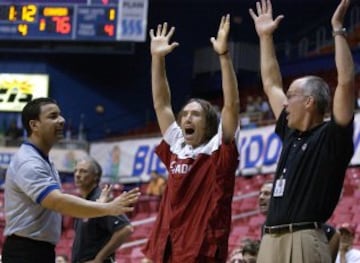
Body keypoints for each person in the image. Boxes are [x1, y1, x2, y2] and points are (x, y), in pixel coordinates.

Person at [249, 0, 355, 262]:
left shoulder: (332, 136)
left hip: (306, 237)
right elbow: (270, 82)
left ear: (309, 102)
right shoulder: (290, 132)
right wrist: (265, 38)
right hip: (270, 238)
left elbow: (346, 81)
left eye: (291, 95)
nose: (284, 101)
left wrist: (338, 31)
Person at [142, 14, 240, 263]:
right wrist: (157, 59)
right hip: (167, 241)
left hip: (201, 245)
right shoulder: (177, 145)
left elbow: (231, 105)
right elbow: (161, 104)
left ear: (208, 121)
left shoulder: (218, 147)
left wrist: (224, 56)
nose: (186, 118)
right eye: (184, 114)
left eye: (195, 114)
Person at [2, 97, 140, 263]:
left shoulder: (43, 160)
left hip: (37, 250)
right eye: (53, 116)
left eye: (60, 115)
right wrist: (106, 208)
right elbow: (58, 202)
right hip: (25, 252)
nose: (62, 120)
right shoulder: (29, 162)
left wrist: (98, 205)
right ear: (34, 125)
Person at [258, 181, 340, 262]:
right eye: (260, 193)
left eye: (266, 194)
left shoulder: (293, 220)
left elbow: (333, 233)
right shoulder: (265, 226)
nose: (261, 197)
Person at [71, 157, 134, 263]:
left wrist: (99, 258)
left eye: (83, 171)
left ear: (95, 177)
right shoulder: (84, 202)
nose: (77, 174)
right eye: (76, 171)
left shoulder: (102, 199)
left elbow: (126, 229)